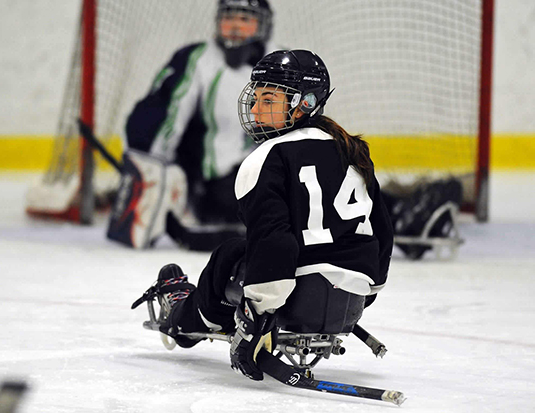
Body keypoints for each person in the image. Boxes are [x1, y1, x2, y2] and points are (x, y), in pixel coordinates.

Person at [133, 50, 394, 381]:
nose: (255, 109)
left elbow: (274, 243)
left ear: (305, 103)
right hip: (352, 298)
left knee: (230, 253)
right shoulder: (354, 150)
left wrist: (255, 317)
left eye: (268, 99)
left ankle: (183, 319)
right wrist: (360, 295)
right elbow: (382, 235)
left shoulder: (266, 158)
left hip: (293, 300)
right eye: (255, 98)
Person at [106, 0, 277, 250]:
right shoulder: (197, 59)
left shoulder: (282, 63)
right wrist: (151, 169)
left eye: (245, 20)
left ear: (263, 26)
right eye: (229, 18)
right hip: (212, 187)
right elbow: (162, 115)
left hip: (262, 178)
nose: (235, 27)